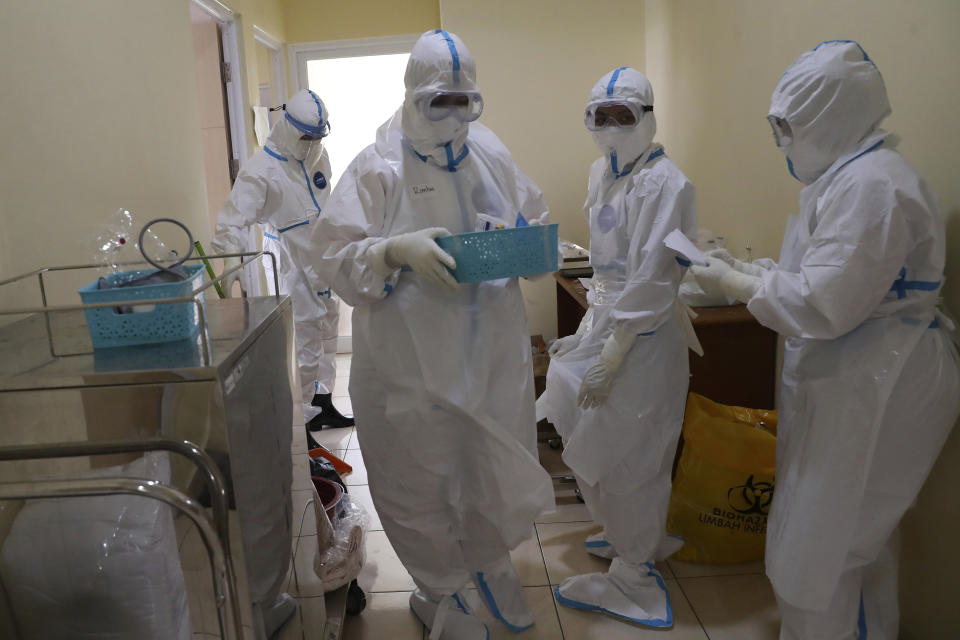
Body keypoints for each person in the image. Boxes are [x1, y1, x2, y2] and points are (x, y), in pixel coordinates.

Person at [691, 40, 960, 640]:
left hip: (879, 380)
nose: (781, 139)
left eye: (788, 125)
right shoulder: (850, 180)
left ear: (833, 115)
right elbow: (828, 278)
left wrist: (734, 280)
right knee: (843, 547)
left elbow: (824, 302)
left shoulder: (874, 186)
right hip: (858, 371)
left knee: (823, 553)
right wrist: (747, 271)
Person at [310, 30, 554, 639]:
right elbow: (334, 258)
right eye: (437, 101)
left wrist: (530, 243)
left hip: (490, 351)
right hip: (408, 364)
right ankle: (441, 591)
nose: (451, 117)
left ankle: (488, 562)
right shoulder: (378, 166)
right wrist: (393, 250)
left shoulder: (490, 152)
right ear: (414, 94)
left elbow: (533, 215)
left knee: (490, 463)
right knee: (419, 471)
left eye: (462, 102)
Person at [536, 67, 698, 627]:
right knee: (587, 428)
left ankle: (634, 574)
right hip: (607, 322)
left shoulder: (665, 184)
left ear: (647, 118)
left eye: (621, 116)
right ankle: (626, 533)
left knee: (631, 451)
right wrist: (587, 337)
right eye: (597, 116)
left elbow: (652, 279)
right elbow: (607, 275)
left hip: (645, 337)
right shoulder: (602, 174)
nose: (608, 128)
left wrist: (611, 353)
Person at [213, 88, 354, 433]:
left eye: (318, 136)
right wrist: (228, 266)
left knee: (328, 330)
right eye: (306, 136)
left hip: (323, 256)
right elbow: (232, 221)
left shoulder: (318, 156)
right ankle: (301, 420)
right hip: (291, 261)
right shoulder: (260, 170)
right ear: (289, 128)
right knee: (305, 338)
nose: (312, 142)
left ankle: (323, 402)